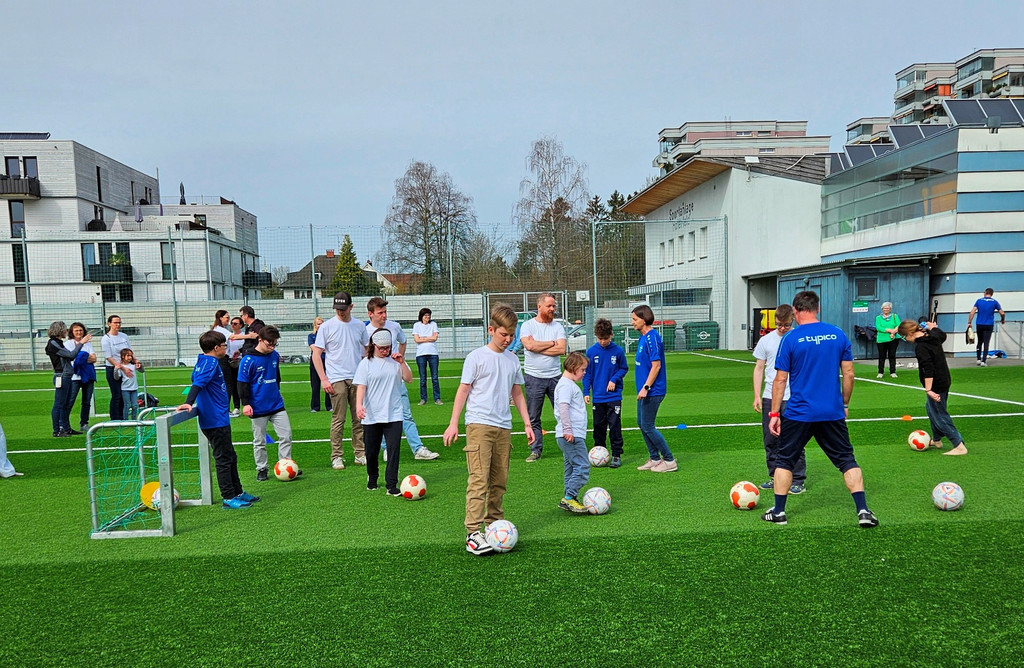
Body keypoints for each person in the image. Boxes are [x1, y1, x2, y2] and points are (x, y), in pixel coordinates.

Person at [763, 290, 878, 528]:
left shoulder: (790, 339)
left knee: (784, 460)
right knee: (847, 460)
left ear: (795, 312)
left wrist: (774, 414)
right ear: (818, 309)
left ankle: (779, 513)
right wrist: (844, 403)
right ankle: (863, 511)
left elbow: (780, 380)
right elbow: (849, 374)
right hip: (831, 411)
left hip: (798, 412)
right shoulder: (837, 334)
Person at [442, 304, 535, 556]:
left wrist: (527, 423)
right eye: (503, 334)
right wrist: (453, 423)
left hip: (503, 427)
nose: (508, 340)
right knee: (478, 480)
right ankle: (472, 533)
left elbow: (517, 393)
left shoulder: (513, 359)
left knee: (499, 481)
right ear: (491, 330)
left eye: (512, 335)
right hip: (479, 426)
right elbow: (463, 390)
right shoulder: (476, 357)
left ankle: (493, 525)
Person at [176, 330, 259, 509]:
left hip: (219, 417)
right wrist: (188, 402)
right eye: (224, 346)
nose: (226, 349)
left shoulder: (203, 360)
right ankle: (228, 497)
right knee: (223, 458)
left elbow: (196, 379)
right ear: (216, 348)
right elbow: (197, 383)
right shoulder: (210, 363)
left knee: (230, 456)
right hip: (215, 419)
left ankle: (238, 491)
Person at [365, 297, 439, 461]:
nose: (384, 316)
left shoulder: (395, 326)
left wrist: (400, 360)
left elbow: (403, 341)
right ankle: (385, 448)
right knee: (381, 416)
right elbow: (364, 355)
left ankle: (418, 448)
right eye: (380, 313)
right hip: (377, 383)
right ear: (371, 314)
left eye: (385, 312)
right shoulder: (365, 331)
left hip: (397, 380)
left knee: (406, 415)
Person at [312, 292, 370, 470]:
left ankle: (360, 453)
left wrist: (365, 369)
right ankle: (337, 456)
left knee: (358, 417)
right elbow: (316, 354)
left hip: (356, 377)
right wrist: (324, 379)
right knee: (338, 419)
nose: (340, 312)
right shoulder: (327, 327)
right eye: (337, 309)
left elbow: (368, 348)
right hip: (336, 378)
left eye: (343, 309)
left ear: (351, 307)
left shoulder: (359, 325)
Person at [752, 305, 806, 494]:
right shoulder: (766, 341)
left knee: (794, 439)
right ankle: (775, 476)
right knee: (770, 439)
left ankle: (798, 479)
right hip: (769, 396)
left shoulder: (799, 339)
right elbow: (759, 368)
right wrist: (757, 395)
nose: (782, 328)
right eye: (779, 325)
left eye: (786, 325)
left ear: (792, 320)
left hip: (793, 397)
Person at [355, 328, 413, 496]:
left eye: (387, 347)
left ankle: (391, 484)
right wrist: (359, 405)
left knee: (394, 450)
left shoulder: (396, 361)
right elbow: (361, 386)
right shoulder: (365, 364)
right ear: (374, 345)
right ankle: (372, 477)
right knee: (371, 452)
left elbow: (409, 379)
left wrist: (402, 362)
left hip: (394, 413)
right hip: (372, 415)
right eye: (382, 348)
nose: (385, 350)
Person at [898, 319, 967, 455]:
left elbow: (927, 368)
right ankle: (937, 439)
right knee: (930, 409)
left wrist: (929, 389)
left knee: (939, 414)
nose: (905, 339)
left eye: (905, 336)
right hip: (944, 379)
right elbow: (942, 335)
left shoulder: (921, 347)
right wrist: (933, 327)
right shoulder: (932, 336)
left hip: (936, 384)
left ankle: (958, 445)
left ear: (911, 333)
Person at [238, 325, 297, 481]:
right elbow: (242, 383)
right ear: (260, 340)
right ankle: (262, 468)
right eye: (269, 343)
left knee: (286, 435)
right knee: (260, 441)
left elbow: (276, 377)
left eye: (274, 344)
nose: (272, 347)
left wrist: (278, 391)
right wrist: (246, 403)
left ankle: (285, 464)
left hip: (276, 405)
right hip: (257, 407)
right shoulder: (248, 360)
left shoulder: (274, 355)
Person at [520, 293, 567, 462]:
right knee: (534, 417)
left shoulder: (558, 327)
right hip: (534, 378)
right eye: (549, 306)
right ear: (539, 307)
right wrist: (551, 343)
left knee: (563, 413)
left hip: (556, 377)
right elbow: (529, 345)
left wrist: (538, 347)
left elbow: (562, 349)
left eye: (554, 306)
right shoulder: (527, 326)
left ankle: (568, 447)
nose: (553, 309)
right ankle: (536, 449)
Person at [632, 305, 676, 472]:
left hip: (653, 390)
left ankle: (669, 460)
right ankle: (654, 458)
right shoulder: (643, 338)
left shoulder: (652, 337)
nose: (632, 322)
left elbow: (656, 366)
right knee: (641, 423)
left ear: (644, 319)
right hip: (644, 391)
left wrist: (646, 387)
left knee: (648, 425)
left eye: (635, 319)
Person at [582, 318, 628, 468]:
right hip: (598, 397)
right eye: (600, 338)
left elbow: (624, 368)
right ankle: (599, 451)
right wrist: (586, 391)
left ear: (611, 335)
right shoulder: (591, 352)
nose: (603, 341)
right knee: (598, 426)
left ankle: (616, 454)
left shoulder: (618, 351)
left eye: (606, 338)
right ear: (596, 336)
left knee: (615, 425)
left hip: (614, 396)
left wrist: (614, 379)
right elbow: (587, 373)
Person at [555, 352, 590, 513]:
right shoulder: (566, 386)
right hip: (571, 434)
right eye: (582, 369)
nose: (584, 373)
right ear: (574, 367)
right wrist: (568, 429)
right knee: (582, 466)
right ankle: (569, 497)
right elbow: (563, 407)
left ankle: (569, 497)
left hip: (569, 434)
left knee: (570, 467)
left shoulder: (568, 385)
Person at [46, 321, 88, 437]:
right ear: (59, 330)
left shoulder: (57, 343)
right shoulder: (53, 343)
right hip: (62, 376)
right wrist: (81, 343)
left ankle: (66, 428)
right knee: (59, 404)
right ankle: (57, 430)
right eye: (65, 329)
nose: (66, 331)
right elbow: (70, 355)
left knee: (64, 404)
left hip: (66, 376)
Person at [230, 306, 265, 416]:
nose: (241, 317)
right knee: (245, 382)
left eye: (241, 315)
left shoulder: (258, 325)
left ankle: (257, 404)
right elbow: (249, 342)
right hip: (248, 357)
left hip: (256, 359)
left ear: (246, 315)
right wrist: (240, 350)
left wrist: (244, 337)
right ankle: (249, 404)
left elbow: (261, 338)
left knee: (254, 381)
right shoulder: (249, 327)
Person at [101, 314, 135, 420]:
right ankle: (115, 418)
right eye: (115, 322)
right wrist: (122, 367)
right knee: (116, 395)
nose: (118, 325)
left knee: (124, 394)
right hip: (113, 369)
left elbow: (129, 352)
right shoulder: (106, 339)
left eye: (119, 322)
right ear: (109, 324)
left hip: (125, 367)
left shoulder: (124, 336)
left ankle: (123, 417)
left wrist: (135, 361)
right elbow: (108, 357)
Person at [65, 322, 97, 433]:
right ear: (72, 332)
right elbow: (71, 358)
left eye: (80, 330)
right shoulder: (68, 343)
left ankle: (84, 423)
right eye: (76, 330)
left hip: (88, 375)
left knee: (87, 401)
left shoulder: (88, 344)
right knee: (70, 400)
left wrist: (81, 356)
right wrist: (83, 356)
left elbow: (94, 358)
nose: (79, 332)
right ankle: (64, 424)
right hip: (74, 377)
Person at [967, 288, 1006, 367]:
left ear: (985, 293)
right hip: (989, 324)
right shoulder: (994, 302)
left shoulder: (979, 301)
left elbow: (972, 312)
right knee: (986, 342)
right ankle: (983, 361)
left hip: (979, 324)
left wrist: (969, 322)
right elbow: (1002, 313)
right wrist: (1002, 319)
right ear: (992, 294)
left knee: (980, 341)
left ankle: (978, 359)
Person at [212, 310, 240, 416]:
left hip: (223, 359)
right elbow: (232, 337)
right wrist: (249, 337)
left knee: (226, 383)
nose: (228, 320)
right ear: (220, 318)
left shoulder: (219, 329)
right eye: (226, 317)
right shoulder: (219, 329)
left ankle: (224, 408)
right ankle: (226, 410)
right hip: (221, 359)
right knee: (228, 384)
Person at [413, 307, 442, 405]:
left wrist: (423, 338)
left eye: (429, 315)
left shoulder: (433, 324)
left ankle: (437, 398)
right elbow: (417, 339)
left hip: (433, 353)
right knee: (423, 378)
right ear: (421, 316)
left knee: (434, 378)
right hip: (421, 354)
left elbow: (435, 338)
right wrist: (428, 338)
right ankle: (423, 398)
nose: (427, 317)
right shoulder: (416, 325)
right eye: (425, 315)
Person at [308, 317, 332, 413]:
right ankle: (315, 407)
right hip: (315, 362)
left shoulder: (328, 336)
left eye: (322, 323)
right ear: (315, 325)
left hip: (327, 361)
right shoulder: (311, 336)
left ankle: (329, 405)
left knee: (328, 383)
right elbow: (314, 348)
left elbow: (329, 348)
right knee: (315, 384)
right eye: (318, 324)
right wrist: (322, 349)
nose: (320, 325)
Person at [874, 302, 901, 379]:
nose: (886, 310)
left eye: (887, 308)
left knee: (892, 355)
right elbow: (878, 327)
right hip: (881, 339)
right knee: (882, 356)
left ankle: (892, 371)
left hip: (893, 339)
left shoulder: (894, 316)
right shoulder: (878, 318)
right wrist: (889, 330)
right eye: (884, 308)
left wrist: (893, 332)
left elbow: (899, 325)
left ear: (890, 309)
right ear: (882, 309)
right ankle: (880, 372)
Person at [115, 349, 141, 420]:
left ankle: (134, 419)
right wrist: (116, 369)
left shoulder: (133, 365)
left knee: (135, 405)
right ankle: (125, 420)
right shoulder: (121, 367)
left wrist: (139, 364)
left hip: (134, 388)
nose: (130, 357)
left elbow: (142, 370)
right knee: (127, 405)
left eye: (131, 356)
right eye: (128, 355)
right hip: (125, 389)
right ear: (123, 356)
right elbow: (117, 377)